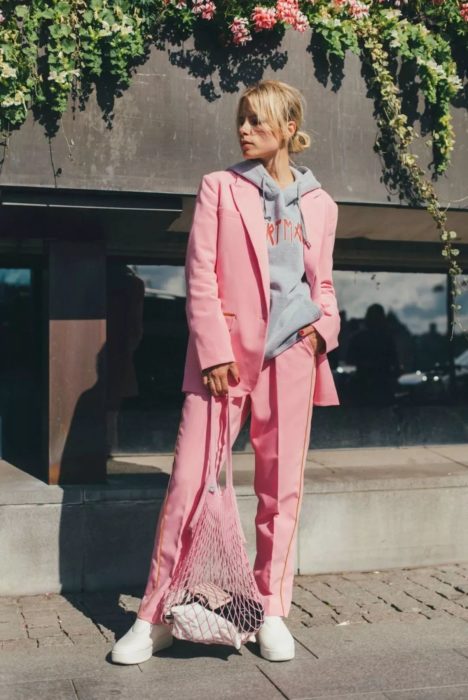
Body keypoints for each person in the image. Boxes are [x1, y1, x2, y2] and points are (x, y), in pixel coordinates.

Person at [111, 79, 340, 665]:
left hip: (291, 355)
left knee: (280, 491)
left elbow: (325, 286)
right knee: (189, 482)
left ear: (289, 128)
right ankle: (155, 613)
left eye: (258, 122)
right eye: (241, 119)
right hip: (224, 361)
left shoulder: (322, 205)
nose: (244, 130)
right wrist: (213, 351)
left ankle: (271, 609)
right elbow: (201, 275)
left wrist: (322, 332)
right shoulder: (220, 187)